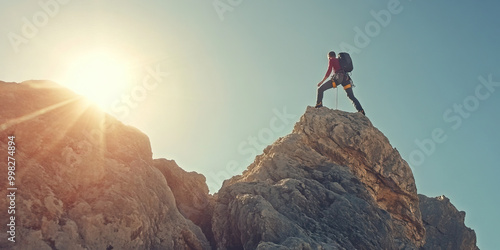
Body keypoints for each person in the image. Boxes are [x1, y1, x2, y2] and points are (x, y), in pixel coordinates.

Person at [315, 51, 365, 115]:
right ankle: (361, 110)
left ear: (329, 56)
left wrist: (321, 82)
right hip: (346, 79)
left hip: (338, 78)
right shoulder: (340, 60)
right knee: (351, 96)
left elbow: (329, 71)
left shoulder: (331, 60)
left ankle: (319, 104)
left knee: (320, 89)